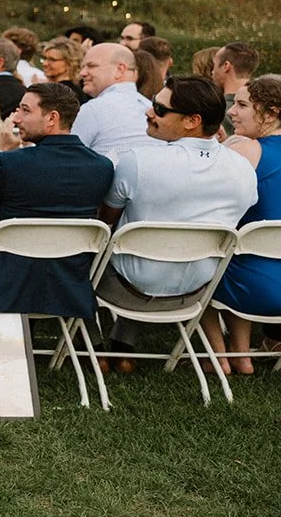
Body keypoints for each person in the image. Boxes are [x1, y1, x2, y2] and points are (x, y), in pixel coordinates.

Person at [94, 76, 256, 364]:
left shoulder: (136, 162)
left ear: (192, 121)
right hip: (195, 290)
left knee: (86, 243)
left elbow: (104, 222)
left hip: (126, 289)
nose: (148, 112)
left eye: (160, 109)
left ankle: (92, 344)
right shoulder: (243, 169)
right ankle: (122, 346)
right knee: (147, 246)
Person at [0, 83, 115, 318]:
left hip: (6, 280)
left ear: (52, 118)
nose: (16, 118)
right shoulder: (102, 167)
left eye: (25, 110)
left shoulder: (12, 162)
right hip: (69, 280)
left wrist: (1, 153)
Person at [204, 75, 281, 372]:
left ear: (271, 113)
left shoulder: (247, 150)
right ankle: (241, 355)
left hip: (257, 287)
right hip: (262, 274)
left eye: (242, 105)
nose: (231, 111)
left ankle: (219, 357)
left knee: (199, 263)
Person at [72, 43, 154, 161]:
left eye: (91, 66)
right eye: (83, 67)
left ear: (120, 70)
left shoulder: (94, 109)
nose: (82, 73)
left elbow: (70, 159)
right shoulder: (151, 107)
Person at [40, 37, 86, 102]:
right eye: (44, 58)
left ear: (70, 63)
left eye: (52, 60)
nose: (45, 63)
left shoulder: (67, 93)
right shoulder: (51, 89)